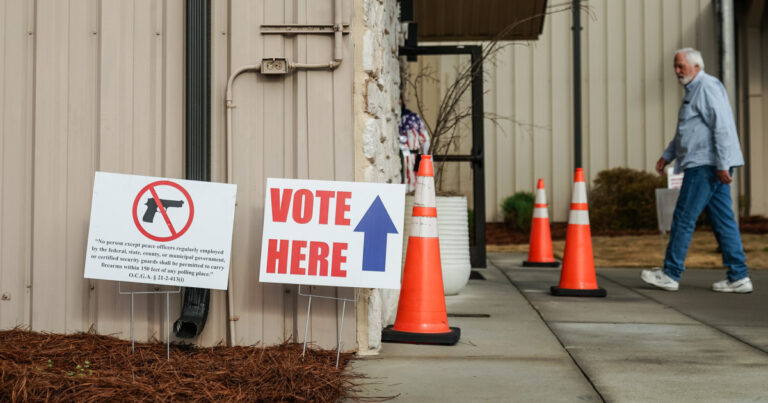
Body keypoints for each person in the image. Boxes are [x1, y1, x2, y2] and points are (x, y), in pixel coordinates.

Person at [641, 48, 753, 293]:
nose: (677, 71)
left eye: (681, 66)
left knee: (683, 217)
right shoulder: (694, 90)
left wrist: (722, 164)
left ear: (696, 67)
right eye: (675, 66)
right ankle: (739, 276)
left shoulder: (706, 87)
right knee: (723, 220)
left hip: (706, 165)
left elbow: (722, 127)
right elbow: (688, 130)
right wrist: (667, 155)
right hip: (710, 164)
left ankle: (670, 274)